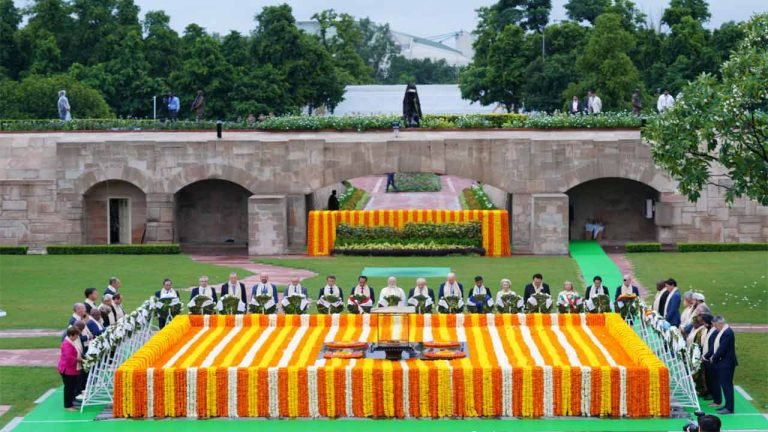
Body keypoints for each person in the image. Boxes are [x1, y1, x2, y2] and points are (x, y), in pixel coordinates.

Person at [710, 316, 738, 414]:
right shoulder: (724, 331)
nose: (715, 327)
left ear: (720, 324)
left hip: (727, 363)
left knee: (727, 385)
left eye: (715, 325)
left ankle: (729, 408)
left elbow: (722, 348)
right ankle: (727, 405)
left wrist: (714, 357)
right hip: (723, 362)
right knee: (724, 384)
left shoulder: (727, 333)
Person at [58, 327, 82, 411]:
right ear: (72, 335)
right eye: (76, 336)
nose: (77, 337)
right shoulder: (67, 344)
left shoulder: (70, 341)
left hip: (70, 369)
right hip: (67, 370)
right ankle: (68, 406)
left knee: (71, 387)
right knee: (68, 388)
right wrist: (78, 360)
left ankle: (70, 404)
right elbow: (69, 358)